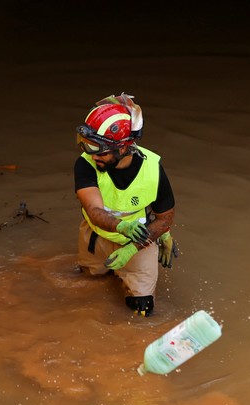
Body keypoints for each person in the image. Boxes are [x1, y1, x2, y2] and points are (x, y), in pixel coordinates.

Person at [73, 93, 178, 317]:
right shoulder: (86, 164)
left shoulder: (153, 170)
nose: (90, 155)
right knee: (87, 282)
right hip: (97, 234)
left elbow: (165, 218)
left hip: (138, 239)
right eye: (85, 145)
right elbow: (93, 210)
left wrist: (136, 245)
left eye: (96, 149)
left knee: (141, 311)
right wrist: (121, 226)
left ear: (122, 149)